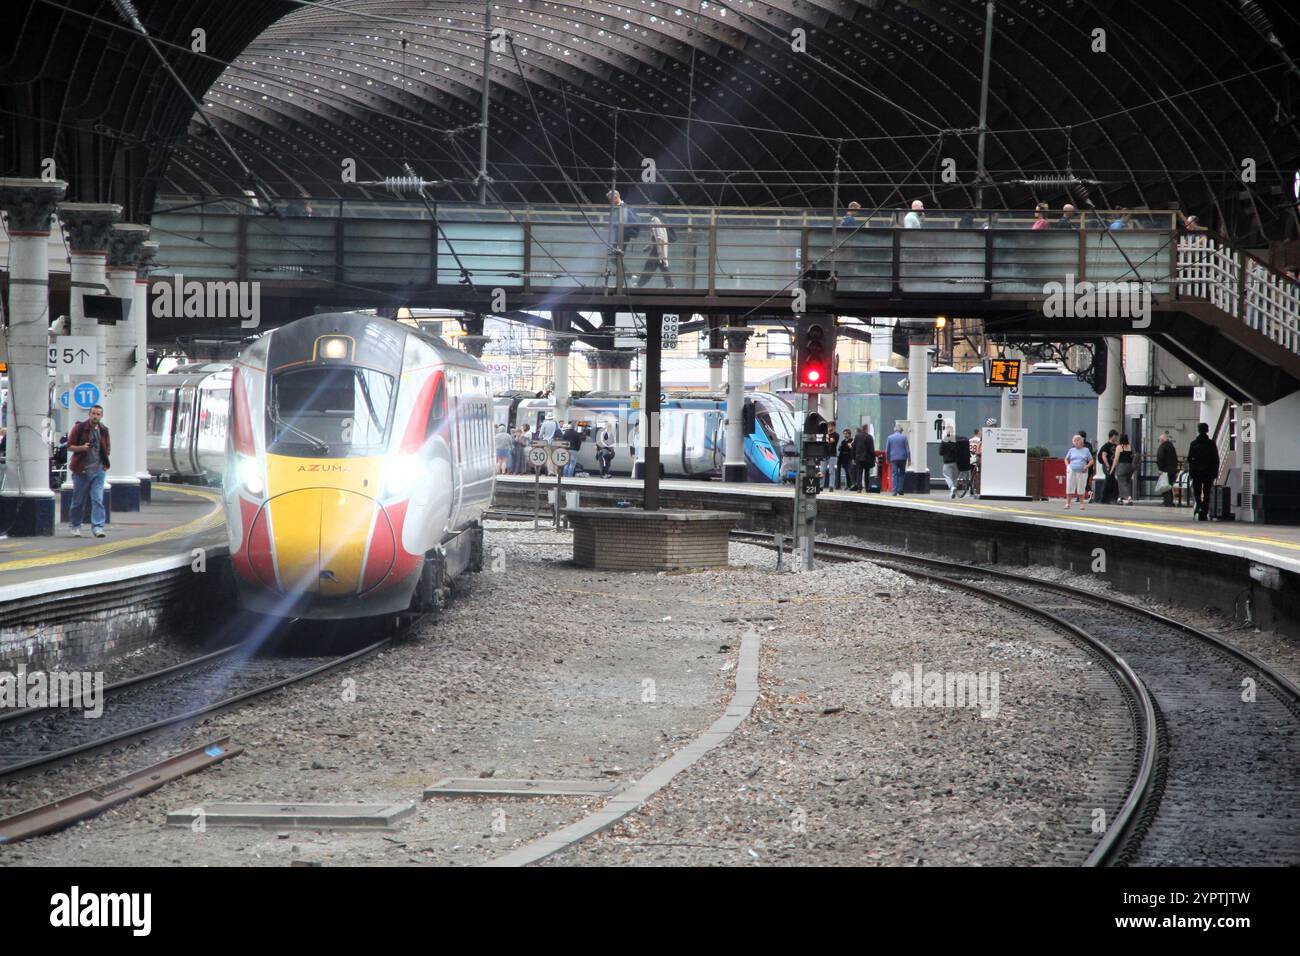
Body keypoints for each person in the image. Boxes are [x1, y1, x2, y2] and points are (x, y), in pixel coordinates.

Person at [67, 404, 110, 537]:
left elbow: (107, 448)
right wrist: (82, 448)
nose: (95, 416)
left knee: (97, 499)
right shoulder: (79, 428)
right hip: (82, 471)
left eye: (98, 414)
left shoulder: (104, 430)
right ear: (89, 414)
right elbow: (69, 446)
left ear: (101, 416)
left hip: (98, 471)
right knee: (78, 501)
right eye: (93, 414)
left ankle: (98, 527)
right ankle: (75, 525)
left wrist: (103, 464)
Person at [1186, 422, 1220, 521]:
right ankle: (1204, 512)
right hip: (1208, 473)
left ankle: (1199, 506)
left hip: (1196, 472)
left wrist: (1192, 468)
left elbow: (1189, 458)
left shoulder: (1194, 444)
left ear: (1198, 430)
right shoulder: (1211, 444)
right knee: (1207, 493)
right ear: (1207, 430)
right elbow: (1216, 459)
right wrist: (1215, 472)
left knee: (1196, 492)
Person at [634, 215, 674, 288]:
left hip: (657, 248)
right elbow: (655, 238)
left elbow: (659, 236)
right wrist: (649, 246)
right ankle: (670, 285)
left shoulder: (655, 220)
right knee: (662, 265)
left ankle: (639, 284)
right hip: (657, 247)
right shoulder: (656, 220)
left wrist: (659, 250)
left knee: (649, 266)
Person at [1063, 434, 1093, 510]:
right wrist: (1067, 466)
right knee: (1069, 487)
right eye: (1075, 441)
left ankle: (1082, 504)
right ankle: (1068, 503)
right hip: (1072, 469)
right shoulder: (1071, 450)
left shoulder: (1086, 450)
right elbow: (1066, 459)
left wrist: (1086, 466)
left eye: (1078, 440)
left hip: (1082, 471)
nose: (1076, 442)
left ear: (1082, 442)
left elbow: (1091, 460)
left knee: (1081, 487)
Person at [884, 424, 909, 495]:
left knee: (894, 474)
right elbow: (908, 450)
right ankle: (900, 489)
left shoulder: (890, 438)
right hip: (903, 458)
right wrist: (909, 459)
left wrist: (887, 459)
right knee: (902, 474)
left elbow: (887, 450)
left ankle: (894, 491)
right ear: (900, 430)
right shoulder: (904, 437)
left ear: (894, 430)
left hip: (893, 458)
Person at [1094, 429, 1119, 503]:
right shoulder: (1106, 446)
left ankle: (1109, 498)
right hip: (1107, 465)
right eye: (1115, 436)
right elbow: (1103, 456)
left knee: (1112, 480)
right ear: (1111, 436)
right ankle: (1103, 498)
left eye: (1116, 436)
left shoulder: (1117, 446)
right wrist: (1107, 465)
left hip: (1113, 465)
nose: (1116, 438)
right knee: (1108, 479)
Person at [1156, 431, 1179, 507]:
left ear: (1162, 440)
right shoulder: (1171, 447)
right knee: (1169, 485)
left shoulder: (1162, 447)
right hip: (1172, 469)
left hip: (1165, 470)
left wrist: (1160, 468)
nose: (1159, 442)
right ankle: (1170, 501)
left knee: (1165, 486)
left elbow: (1160, 458)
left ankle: (1168, 502)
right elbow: (1175, 459)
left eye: (1159, 440)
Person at [852, 425, 875, 492]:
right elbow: (871, 449)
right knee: (867, 472)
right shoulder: (869, 437)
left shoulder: (857, 436)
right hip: (867, 458)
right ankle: (867, 488)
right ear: (866, 429)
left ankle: (859, 488)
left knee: (859, 473)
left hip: (858, 458)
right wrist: (873, 458)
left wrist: (853, 457)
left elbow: (854, 447)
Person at [1114, 433, 1135, 504]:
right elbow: (1133, 456)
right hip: (1130, 467)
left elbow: (1116, 459)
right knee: (1127, 482)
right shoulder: (1131, 446)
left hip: (1121, 466)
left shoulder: (1119, 447)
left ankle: (1128, 497)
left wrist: (1113, 468)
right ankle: (1120, 498)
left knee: (1122, 483)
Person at [939, 426, 960, 496]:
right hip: (956, 462)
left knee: (947, 476)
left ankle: (952, 487)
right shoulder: (956, 439)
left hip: (947, 462)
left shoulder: (944, 440)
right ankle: (953, 492)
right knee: (955, 477)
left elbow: (940, 452)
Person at [969, 427, 984, 498]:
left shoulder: (970, 440)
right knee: (978, 474)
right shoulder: (979, 440)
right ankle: (977, 489)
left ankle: (971, 490)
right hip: (977, 458)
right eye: (980, 432)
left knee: (971, 474)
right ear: (978, 433)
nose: (981, 433)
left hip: (971, 458)